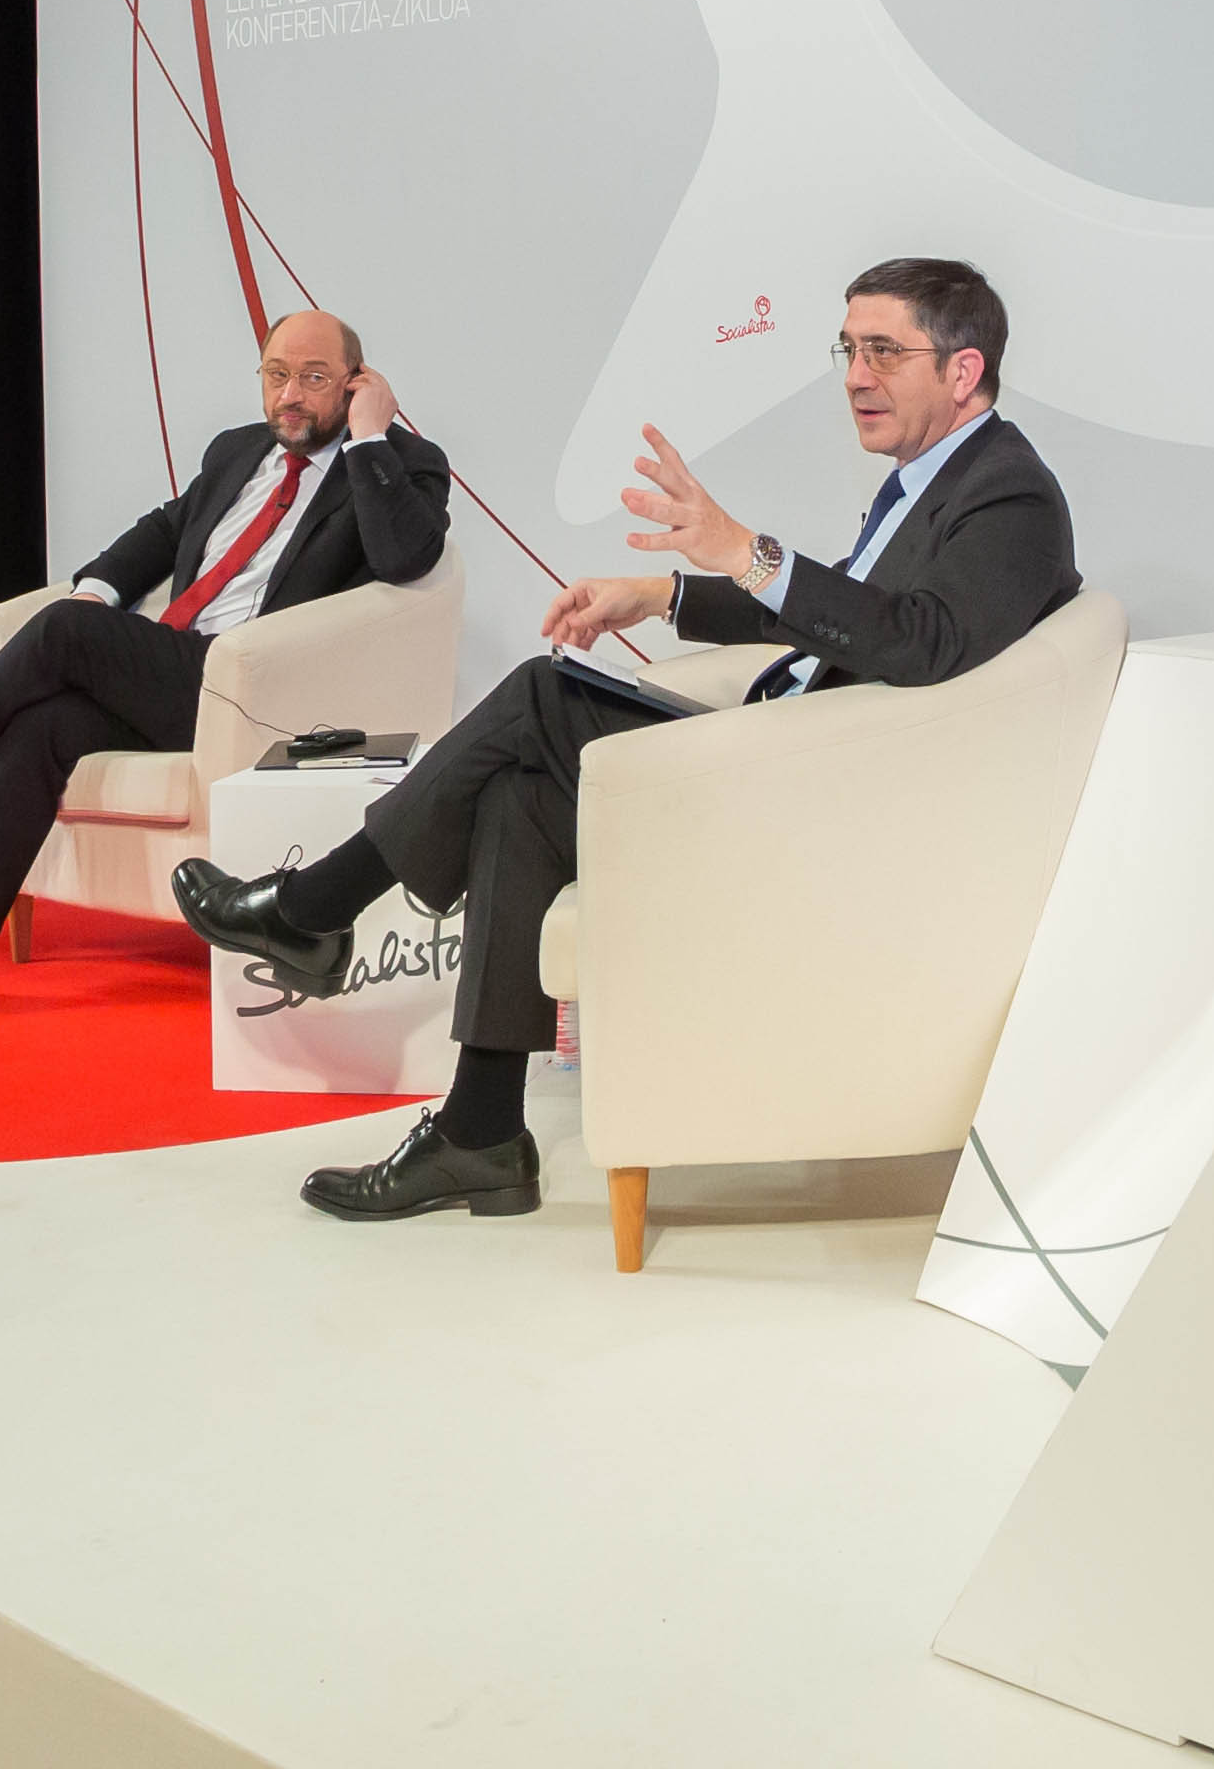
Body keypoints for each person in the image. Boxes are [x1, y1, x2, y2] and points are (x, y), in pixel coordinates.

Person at [177, 257, 1076, 1224]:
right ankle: (481, 1133)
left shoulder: (1010, 496)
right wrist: (664, 594)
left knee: (541, 693)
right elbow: (852, 618)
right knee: (519, 793)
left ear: (962, 369)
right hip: (793, 765)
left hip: (825, 807)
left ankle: (313, 905)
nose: (856, 375)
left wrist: (746, 551)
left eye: (884, 351)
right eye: (849, 349)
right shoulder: (934, 480)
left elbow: (921, 641)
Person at [0, 311, 453, 1031]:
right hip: (173, 673)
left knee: (65, 631)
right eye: (276, 375)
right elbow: (166, 529)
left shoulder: (402, 462)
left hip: (255, 687)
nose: (289, 395)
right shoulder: (237, 450)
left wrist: (369, 436)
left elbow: (405, 558)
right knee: (42, 725)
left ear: (355, 383)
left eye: (314, 377)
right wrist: (99, 591)